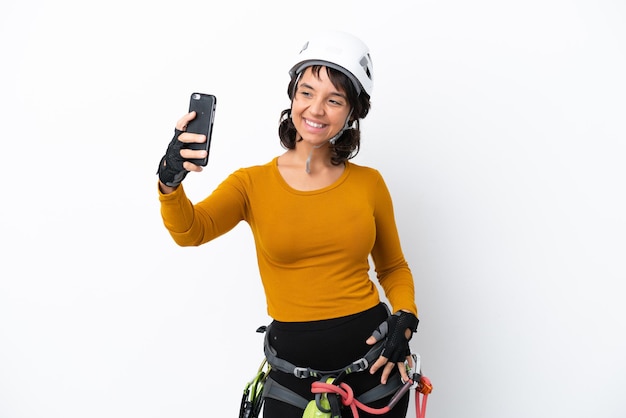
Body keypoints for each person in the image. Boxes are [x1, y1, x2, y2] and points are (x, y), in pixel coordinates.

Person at [157, 30, 419, 418]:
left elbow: (393, 268)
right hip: (291, 380)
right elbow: (191, 231)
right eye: (306, 93)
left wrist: (405, 317)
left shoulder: (370, 184)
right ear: (292, 97)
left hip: (375, 373)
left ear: (352, 113)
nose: (316, 110)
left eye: (334, 100)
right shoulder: (251, 183)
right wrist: (170, 181)